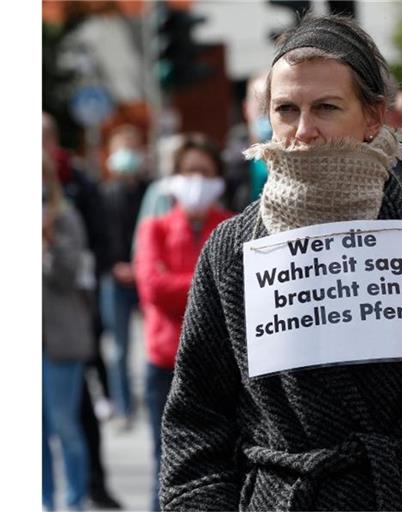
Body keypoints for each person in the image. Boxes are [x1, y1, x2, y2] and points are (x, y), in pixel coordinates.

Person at [160, 14, 402, 511]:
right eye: (285, 110)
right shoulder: (231, 250)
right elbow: (196, 422)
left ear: (374, 116)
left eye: (326, 107)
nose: (303, 131)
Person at [134, 134, 233, 511]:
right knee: (166, 461)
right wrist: (209, 284)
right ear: (174, 178)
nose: (196, 180)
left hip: (219, 365)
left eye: (205, 172)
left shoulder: (230, 226)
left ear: (219, 180)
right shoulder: (154, 228)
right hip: (165, 360)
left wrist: (184, 284)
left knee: (218, 462)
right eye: (189, 171)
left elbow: (237, 289)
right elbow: (153, 289)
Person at [43, 113, 123, 509]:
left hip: (67, 330)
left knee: (69, 424)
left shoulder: (68, 205)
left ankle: (83, 492)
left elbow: (72, 267)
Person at [42, 155, 94, 511]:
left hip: (60, 342)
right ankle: (43, 499)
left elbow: (66, 275)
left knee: (66, 428)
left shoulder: (66, 219)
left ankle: (75, 500)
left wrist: (45, 240)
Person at [99, 124, 150, 430]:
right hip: (114, 277)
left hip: (144, 275)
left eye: (133, 148)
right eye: (123, 149)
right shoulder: (104, 193)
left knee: (151, 344)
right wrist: (115, 265)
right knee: (119, 349)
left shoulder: (150, 189)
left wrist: (139, 265)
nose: (128, 156)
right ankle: (124, 407)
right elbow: (99, 236)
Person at [225, 70, 273, 212]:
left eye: (277, 107)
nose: (269, 116)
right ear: (246, 109)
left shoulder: (301, 159)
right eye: (262, 109)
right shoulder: (229, 168)